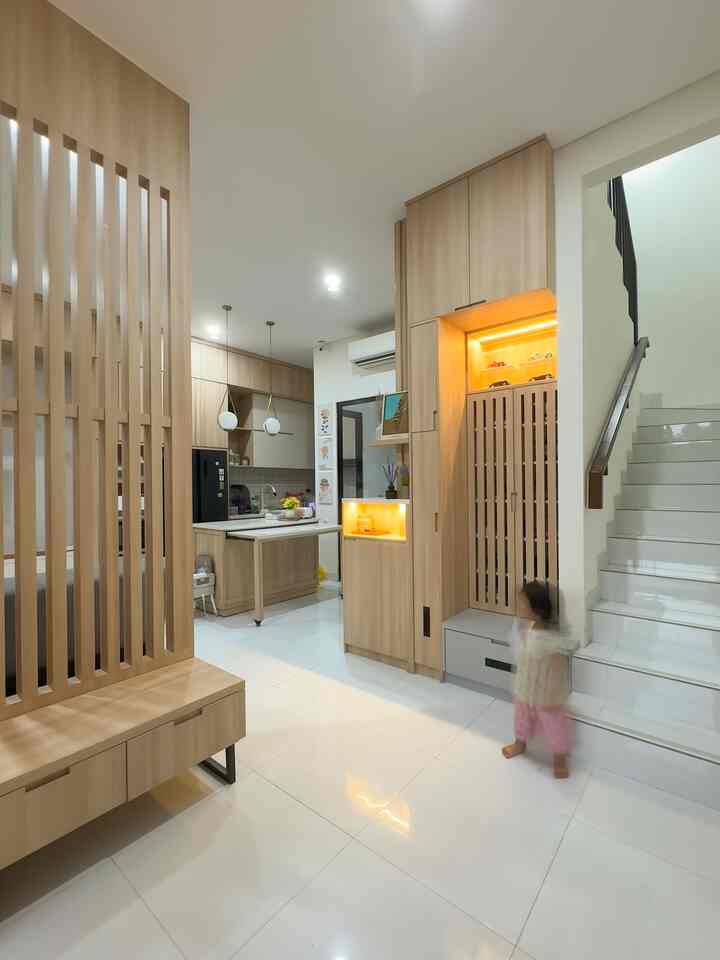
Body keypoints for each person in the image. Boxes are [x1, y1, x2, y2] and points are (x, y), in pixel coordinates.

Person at [502, 580, 574, 779]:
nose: (519, 608)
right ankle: (520, 743)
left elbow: (558, 667)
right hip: (525, 686)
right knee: (521, 716)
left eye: (523, 605)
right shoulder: (528, 628)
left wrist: (553, 693)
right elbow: (521, 653)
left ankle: (559, 757)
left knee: (553, 722)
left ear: (537, 610)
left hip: (545, 691)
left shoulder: (550, 641)